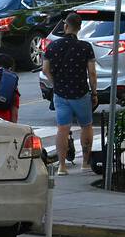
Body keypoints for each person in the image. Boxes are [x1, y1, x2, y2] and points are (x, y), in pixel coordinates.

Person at [42, 13, 99, 175]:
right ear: (79, 28)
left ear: (66, 26)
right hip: (81, 93)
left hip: (61, 94)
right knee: (86, 126)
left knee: (63, 129)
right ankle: (86, 163)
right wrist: (94, 93)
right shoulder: (85, 47)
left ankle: (62, 166)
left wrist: (55, 84)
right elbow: (92, 73)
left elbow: (45, 70)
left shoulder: (52, 46)